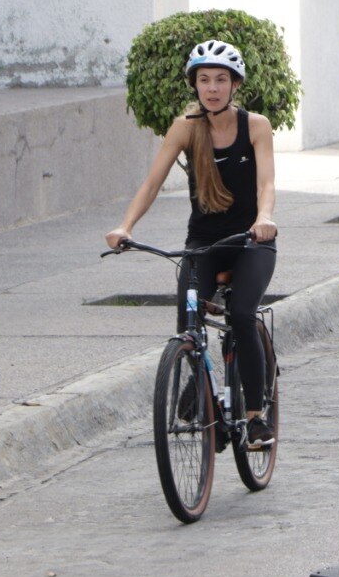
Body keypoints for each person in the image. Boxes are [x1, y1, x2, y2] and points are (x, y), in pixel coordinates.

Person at [106, 39, 278, 446]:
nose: (213, 88)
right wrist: (125, 226)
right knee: (188, 320)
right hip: (203, 242)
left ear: (235, 84)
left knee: (240, 315)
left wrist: (265, 218)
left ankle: (255, 417)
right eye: (204, 80)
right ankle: (209, 404)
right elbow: (152, 183)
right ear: (195, 85)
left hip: (251, 239)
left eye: (221, 80)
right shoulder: (185, 128)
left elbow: (267, 181)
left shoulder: (255, 125)